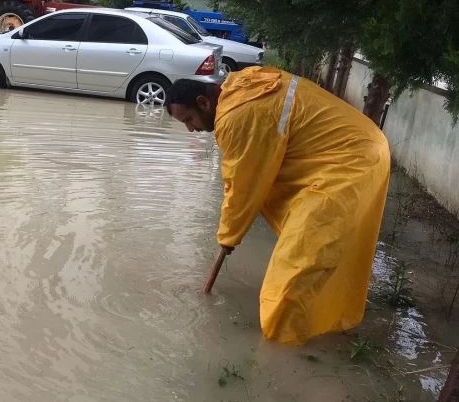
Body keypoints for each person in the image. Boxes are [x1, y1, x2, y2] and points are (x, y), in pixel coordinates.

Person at [166, 67, 391, 345]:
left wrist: (228, 236)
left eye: (189, 120)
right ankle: (319, 329)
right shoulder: (242, 86)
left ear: (203, 102)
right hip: (357, 149)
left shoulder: (236, 116)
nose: (191, 129)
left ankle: (279, 350)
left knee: (294, 270)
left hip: (351, 162)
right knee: (312, 253)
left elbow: (242, 186)